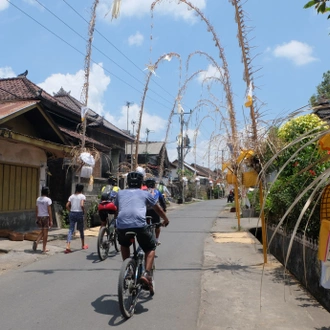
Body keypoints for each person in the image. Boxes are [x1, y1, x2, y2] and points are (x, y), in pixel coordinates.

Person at [114, 171, 170, 295]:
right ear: (141, 183)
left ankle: (128, 270)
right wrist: (165, 219)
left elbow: (116, 210)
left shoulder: (120, 193)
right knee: (150, 247)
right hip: (139, 225)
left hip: (122, 225)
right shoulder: (145, 193)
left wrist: (117, 223)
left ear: (127, 183)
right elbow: (158, 208)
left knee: (124, 244)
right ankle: (146, 274)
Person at [65, 183, 88, 253]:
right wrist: (83, 211)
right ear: (82, 189)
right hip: (79, 213)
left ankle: (68, 246)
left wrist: (70, 211)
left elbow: (67, 205)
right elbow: (82, 205)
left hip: (72, 213)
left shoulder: (71, 196)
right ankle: (83, 245)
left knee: (71, 230)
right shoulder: (82, 196)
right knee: (81, 229)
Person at [145, 177, 167, 246]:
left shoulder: (143, 192)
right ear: (154, 184)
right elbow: (162, 202)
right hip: (155, 211)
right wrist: (164, 209)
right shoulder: (157, 192)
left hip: (145, 211)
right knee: (157, 225)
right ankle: (157, 239)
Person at [33, 186, 53, 253]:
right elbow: (49, 210)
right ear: (47, 192)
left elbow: (36, 209)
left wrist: (37, 218)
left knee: (42, 231)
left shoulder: (38, 199)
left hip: (40, 217)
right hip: (45, 217)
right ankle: (44, 248)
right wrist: (51, 220)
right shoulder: (48, 200)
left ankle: (37, 241)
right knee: (45, 234)